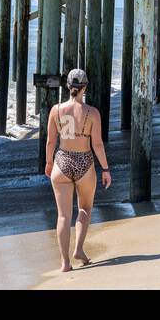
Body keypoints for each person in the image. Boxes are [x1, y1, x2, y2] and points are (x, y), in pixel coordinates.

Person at [45, 68, 110, 271]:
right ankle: (79, 250)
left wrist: (48, 163)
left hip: (62, 161)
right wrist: (106, 169)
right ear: (85, 87)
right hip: (84, 162)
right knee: (85, 209)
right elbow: (97, 145)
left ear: (68, 86)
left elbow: (50, 141)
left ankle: (65, 262)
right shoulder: (92, 113)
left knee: (63, 216)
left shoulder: (56, 110)